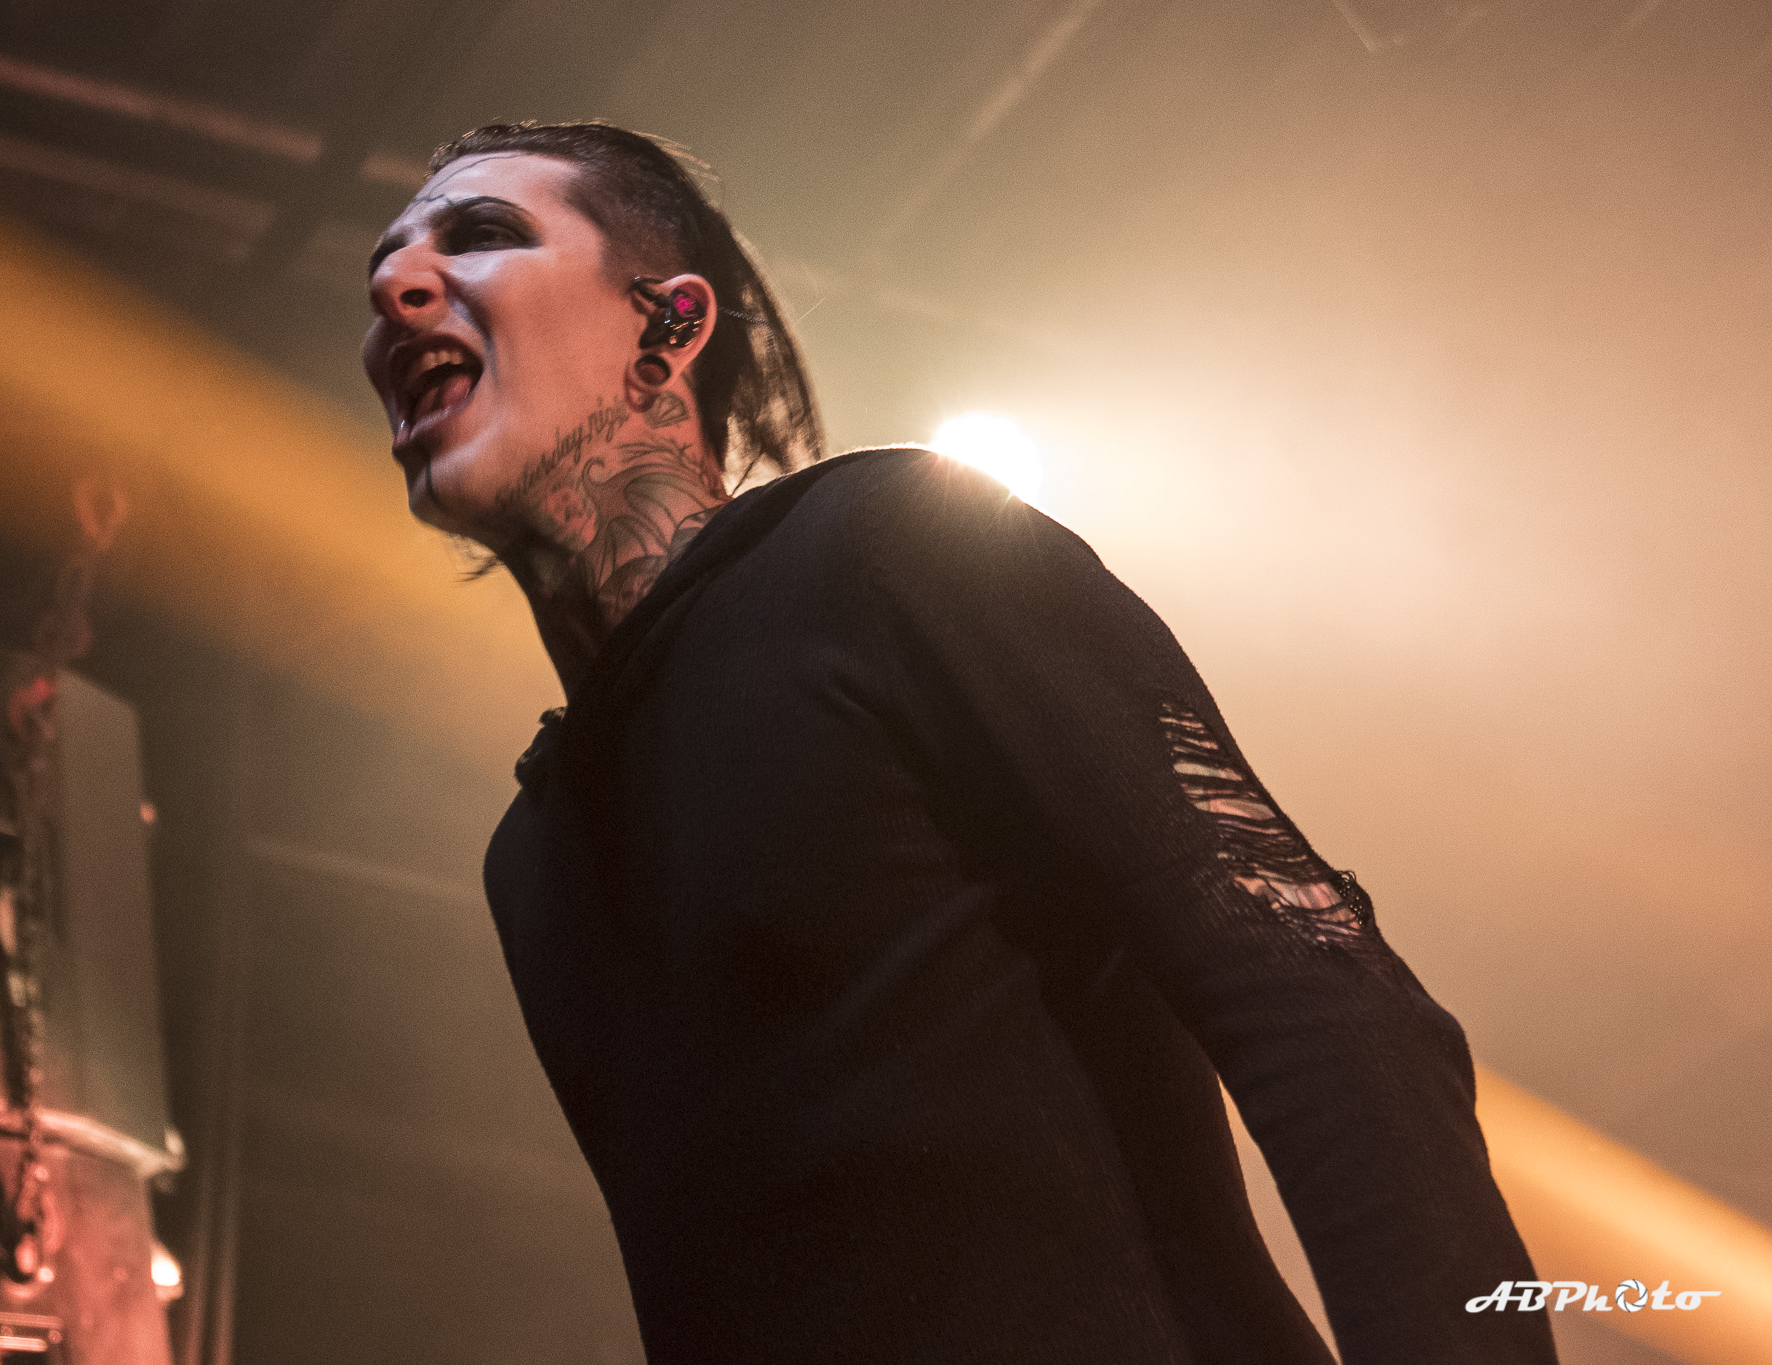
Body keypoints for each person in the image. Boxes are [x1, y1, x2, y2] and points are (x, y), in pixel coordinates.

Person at [362, 122, 1557, 1365]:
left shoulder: (886, 547)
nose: (396, 287)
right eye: (383, 264)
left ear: (669, 323)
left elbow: (1318, 989)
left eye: (481, 235)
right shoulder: (534, 855)